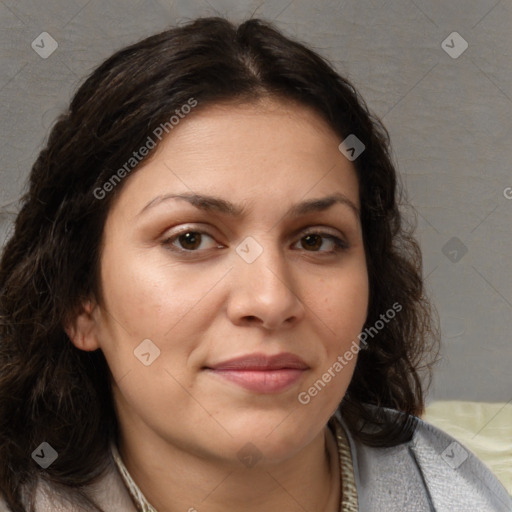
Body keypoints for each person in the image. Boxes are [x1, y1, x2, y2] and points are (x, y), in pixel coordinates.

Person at [0, 16, 509, 512]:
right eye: (191, 239)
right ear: (79, 300)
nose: (270, 300)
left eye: (315, 241)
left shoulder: (461, 494)